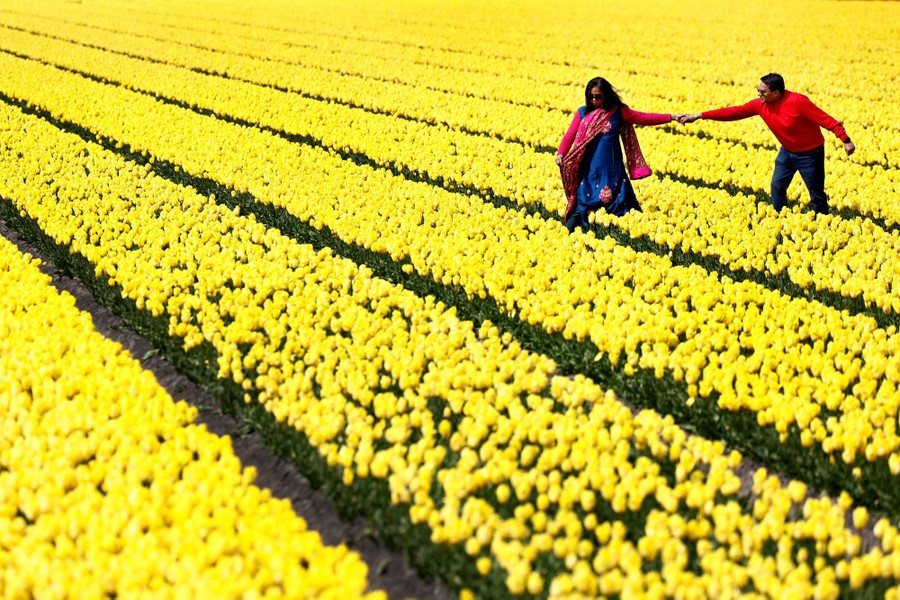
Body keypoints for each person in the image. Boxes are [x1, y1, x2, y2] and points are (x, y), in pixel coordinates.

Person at [679, 73, 855, 215]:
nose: (759, 94)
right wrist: (699, 115)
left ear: (776, 93)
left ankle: (823, 222)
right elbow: (733, 112)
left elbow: (825, 119)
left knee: (816, 194)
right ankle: (780, 218)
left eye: (763, 91)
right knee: (777, 186)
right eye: (758, 90)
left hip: (810, 154)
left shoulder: (798, 102)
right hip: (787, 152)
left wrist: (845, 139)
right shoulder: (760, 104)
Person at [556, 77, 679, 233]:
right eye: (591, 96)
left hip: (611, 170)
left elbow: (644, 117)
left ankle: (618, 234)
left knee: (616, 204)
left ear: (606, 95)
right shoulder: (583, 113)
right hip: (587, 168)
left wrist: (672, 117)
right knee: (584, 201)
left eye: (598, 96)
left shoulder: (617, 112)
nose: (594, 100)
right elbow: (570, 135)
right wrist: (561, 154)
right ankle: (574, 230)